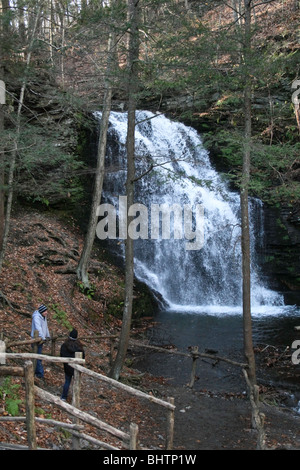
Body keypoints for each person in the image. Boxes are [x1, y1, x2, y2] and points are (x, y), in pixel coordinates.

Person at [60, 328, 85, 401]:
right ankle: (75, 398)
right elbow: (83, 356)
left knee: (67, 381)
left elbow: (62, 355)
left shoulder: (65, 345)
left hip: (67, 367)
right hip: (76, 367)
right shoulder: (79, 346)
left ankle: (64, 397)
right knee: (76, 382)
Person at [30, 304, 50, 379]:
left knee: (38, 356)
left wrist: (48, 335)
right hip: (36, 338)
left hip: (41, 338)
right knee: (37, 356)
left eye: (46, 311)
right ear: (41, 311)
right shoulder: (36, 317)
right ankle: (40, 373)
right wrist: (43, 337)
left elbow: (45, 326)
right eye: (45, 311)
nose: (46, 312)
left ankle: (37, 371)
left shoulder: (44, 317)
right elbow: (38, 328)